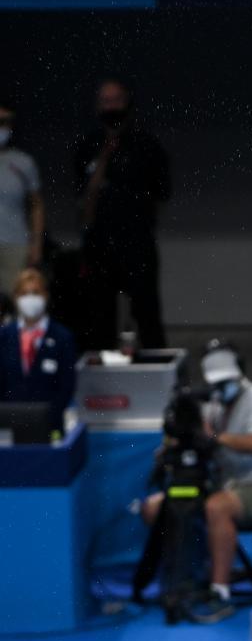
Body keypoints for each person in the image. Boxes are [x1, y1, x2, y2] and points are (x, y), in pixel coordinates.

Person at [141, 340, 252, 623]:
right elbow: (194, 436)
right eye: (216, 384)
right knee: (154, 508)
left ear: (239, 374)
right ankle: (186, 578)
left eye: (226, 382)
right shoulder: (215, 404)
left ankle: (219, 591)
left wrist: (214, 438)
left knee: (216, 508)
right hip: (223, 484)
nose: (221, 389)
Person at [74, 78, 170, 350]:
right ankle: (102, 376)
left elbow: (163, 192)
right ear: (97, 106)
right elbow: (81, 196)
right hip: (99, 242)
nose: (111, 106)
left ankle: (156, 370)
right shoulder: (88, 145)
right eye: (106, 101)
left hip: (137, 240)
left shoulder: (146, 145)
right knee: (100, 312)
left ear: (127, 102)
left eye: (116, 100)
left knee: (146, 309)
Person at [0, 268, 76, 434]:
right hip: (8, 428)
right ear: (15, 298)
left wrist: (46, 419)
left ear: (46, 296)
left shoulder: (62, 337)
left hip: (50, 427)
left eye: (35, 292)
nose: (30, 298)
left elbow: (67, 386)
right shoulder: (4, 336)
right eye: (24, 293)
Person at [0, 100, 45, 296]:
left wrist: (36, 245)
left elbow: (36, 204)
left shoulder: (23, 162)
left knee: (18, 303)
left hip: (15, 244)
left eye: (5, 121)